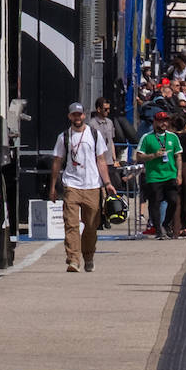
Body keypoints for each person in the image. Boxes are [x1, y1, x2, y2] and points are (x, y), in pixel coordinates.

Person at [49, 102, 113, 273]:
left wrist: (107, 183)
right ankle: (73, 260)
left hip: (92, 185)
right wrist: (53, 187)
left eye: (80, 115)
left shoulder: (94, 134)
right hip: (71, 185)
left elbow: (101, 160)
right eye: (74, 115)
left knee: (91, 226)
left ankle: (89, 256)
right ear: (70, 117)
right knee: (71, 224)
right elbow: (57, 161)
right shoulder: (64, 137)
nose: (77, 118)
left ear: (84, 115)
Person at [137, 108, 183, 239]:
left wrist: (179, 174)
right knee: (155, 203)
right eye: (161, 121)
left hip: (170, 175)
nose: (163, 123)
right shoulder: (147, 137)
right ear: (155, 122)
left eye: (165, 121)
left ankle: (166, 223)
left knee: (173, 200)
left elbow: (178, 156)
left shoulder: (173, 137)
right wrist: (153, 156)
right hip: (154, 176)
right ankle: (158, 229)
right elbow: (139, 156)